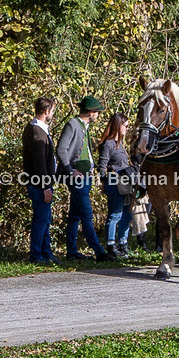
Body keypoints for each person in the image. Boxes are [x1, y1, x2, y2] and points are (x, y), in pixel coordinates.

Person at [56, 96, 111, 262]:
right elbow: (61, 149)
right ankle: (99, 252)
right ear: (91, 113)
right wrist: (70, 170)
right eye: (97, 112)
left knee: (75, 216)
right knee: (87, 214)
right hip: (77, 179)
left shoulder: (84, 126)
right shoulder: (73, 124)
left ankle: (71, 251)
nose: (98, 116)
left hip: (85, 177)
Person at [22, 97, 60, 265]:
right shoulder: (36, 132)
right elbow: (39, 162)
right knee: (40, 220)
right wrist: (45, 186)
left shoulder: (39, 129)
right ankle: (37, 255)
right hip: (39, 184)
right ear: (46, 111)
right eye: (52, 111)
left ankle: (46, 252)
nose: (53, 114)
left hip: (41, 183)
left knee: (45, 219)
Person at [97, 112, 132, 258]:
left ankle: (122, 243)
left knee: (127, 213)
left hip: (124, 181)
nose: (126, 128)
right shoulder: (109, 143)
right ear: (118, 125)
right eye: (125, 126)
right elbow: (102, 165)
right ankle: (111, 245)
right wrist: (105, 181)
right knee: (115, 214)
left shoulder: (120, 143)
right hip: (114, 181)